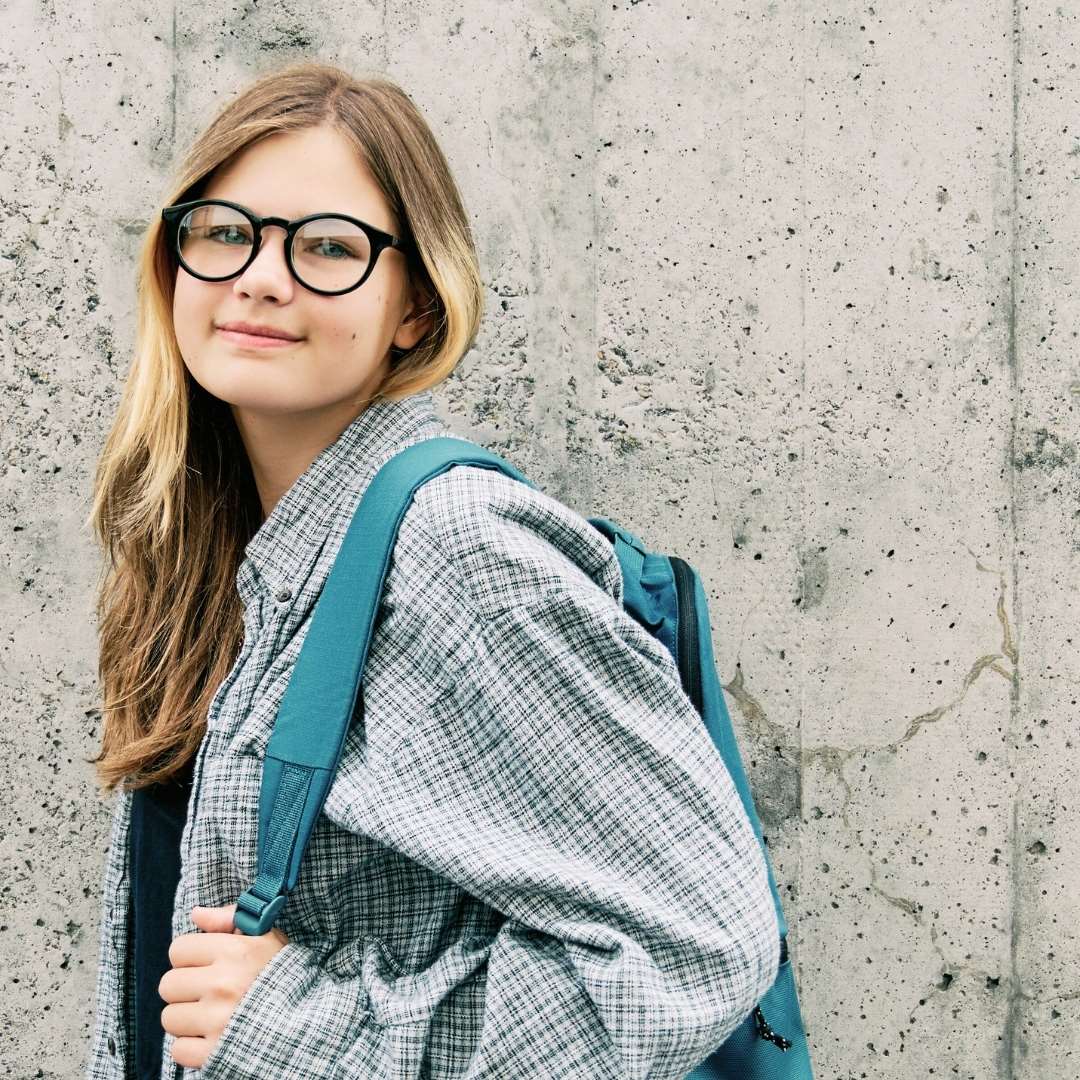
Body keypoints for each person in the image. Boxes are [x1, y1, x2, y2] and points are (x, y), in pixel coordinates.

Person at [84, 60, 780, 1080]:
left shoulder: (457, 552)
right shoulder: (227, 560)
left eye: (327, 246)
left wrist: (293, 1029)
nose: (261, 276)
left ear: (416, 305)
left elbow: (694, 947)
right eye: (225, 230)